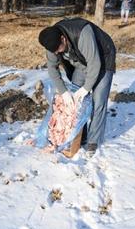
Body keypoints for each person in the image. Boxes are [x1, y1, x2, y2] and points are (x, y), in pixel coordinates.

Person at [38, 17, 116, 157]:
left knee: (98, 101)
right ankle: (81, 134)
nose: (56, 53)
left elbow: (95, 63)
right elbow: (52, 68)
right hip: (81, 61)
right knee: (75, 99)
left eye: (58, 49)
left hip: (103, 58)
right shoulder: (52, 42)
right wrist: (64, 92)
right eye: (54, 51)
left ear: (63, 39)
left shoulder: (82, 33)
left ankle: (93, 141)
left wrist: (86, 88)